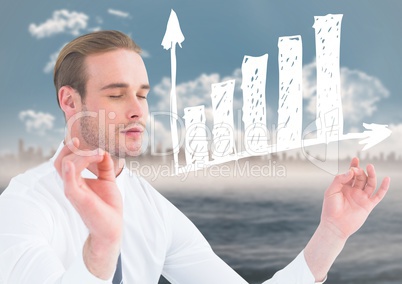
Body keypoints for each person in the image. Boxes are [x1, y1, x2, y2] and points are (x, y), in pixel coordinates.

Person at [0, 30, 390, 284]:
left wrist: (331, 235)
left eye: (143, 94)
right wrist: (102, 246)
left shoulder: (154, 210)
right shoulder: (23, 205)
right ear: (70, 101)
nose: (138, 111)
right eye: (117, 94)